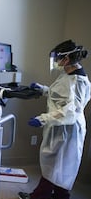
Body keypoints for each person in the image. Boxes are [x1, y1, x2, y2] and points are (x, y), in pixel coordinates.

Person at [19, 40, 90, 199]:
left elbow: (71, 110)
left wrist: (43, 119)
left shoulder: (78, 81)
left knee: (56, 167)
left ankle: (39, 196)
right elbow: (60, 97)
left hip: (68, 130)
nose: (55, 62)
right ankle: (57, 195)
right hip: (60, 128)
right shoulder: (68, 73)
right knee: (57, 167)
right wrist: (44, 89)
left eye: (57, 58)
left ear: (66, 59)